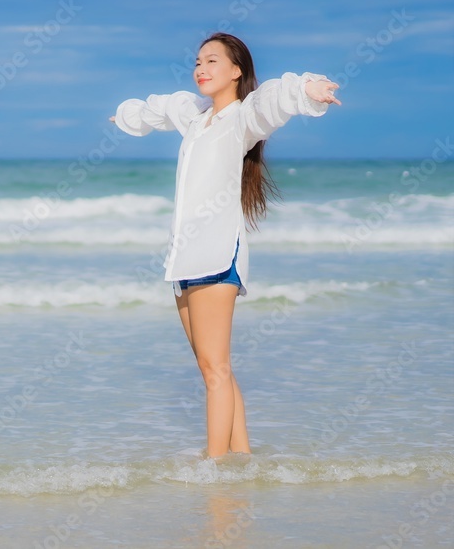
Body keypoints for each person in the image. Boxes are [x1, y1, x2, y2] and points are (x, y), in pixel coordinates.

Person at [109, 32, 341, 458]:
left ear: (236, 71)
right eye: (198, 61)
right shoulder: (196, 118)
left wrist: (308, 89)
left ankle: (213, 470)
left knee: (216, 370)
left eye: (212, 61)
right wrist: (127, 117)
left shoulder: (242, 119)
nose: (201, 68)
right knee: (212, 369)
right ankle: (243, 459)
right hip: (182, 261)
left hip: (217, 257)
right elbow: (161, 108)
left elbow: (274, 99)